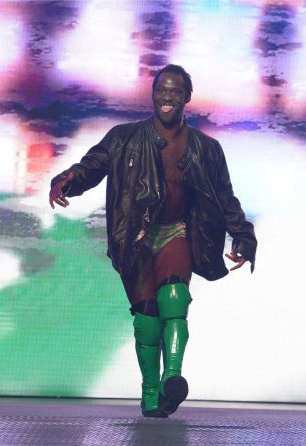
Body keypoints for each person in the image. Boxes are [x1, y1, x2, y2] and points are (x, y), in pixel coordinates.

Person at [49, 64, 257, 418]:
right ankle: (150, 392)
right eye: (162, 90)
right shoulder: (123, 137)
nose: (167, 97)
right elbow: (92, 165)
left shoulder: (206, 148)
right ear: (153, 94)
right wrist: (67, 180)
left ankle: (172, 377)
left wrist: (243, 235)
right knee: (147, 319)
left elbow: (224, 196)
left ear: (187, 97)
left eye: (175, 91)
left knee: (175, 298)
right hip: (134, 237)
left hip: (178, 231)